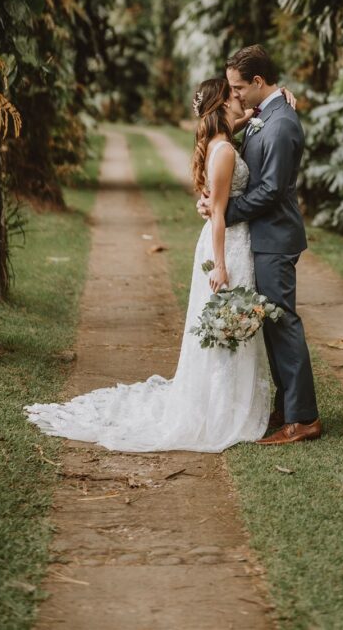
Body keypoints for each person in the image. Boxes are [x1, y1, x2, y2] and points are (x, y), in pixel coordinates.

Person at [23, 78, 272, 452]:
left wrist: (267, 101)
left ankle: (227, 401)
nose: (240, 97)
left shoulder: (218, 140)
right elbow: (218, 215)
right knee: (224, 326)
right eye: (233, 95)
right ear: (220, 106)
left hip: (231, 241)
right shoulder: (222, 152)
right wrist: (220, 267)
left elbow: (229, 134)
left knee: (223, 328)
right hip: (226, 246)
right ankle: (220, 409)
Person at [198, 44, 321, 445]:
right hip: (262, 235)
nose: (233, 95)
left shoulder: (282, 124)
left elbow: (270, 189)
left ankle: (302, 418)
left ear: (257, 81)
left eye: (237, 87)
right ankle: (287, 407)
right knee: (271, 323)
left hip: (275, 237)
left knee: (283, 322)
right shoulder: (265, 114)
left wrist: (224, 211)